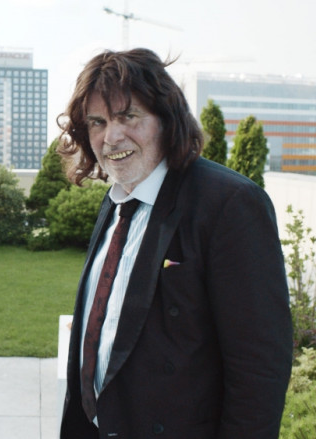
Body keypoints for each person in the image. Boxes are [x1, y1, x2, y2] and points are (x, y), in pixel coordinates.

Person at [57, 48, 293, 438]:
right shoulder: (116, 201)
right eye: (97, 122)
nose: (111, 137)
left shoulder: (230, 204)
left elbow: (259, 369)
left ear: (166, 119)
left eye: (128, 116)